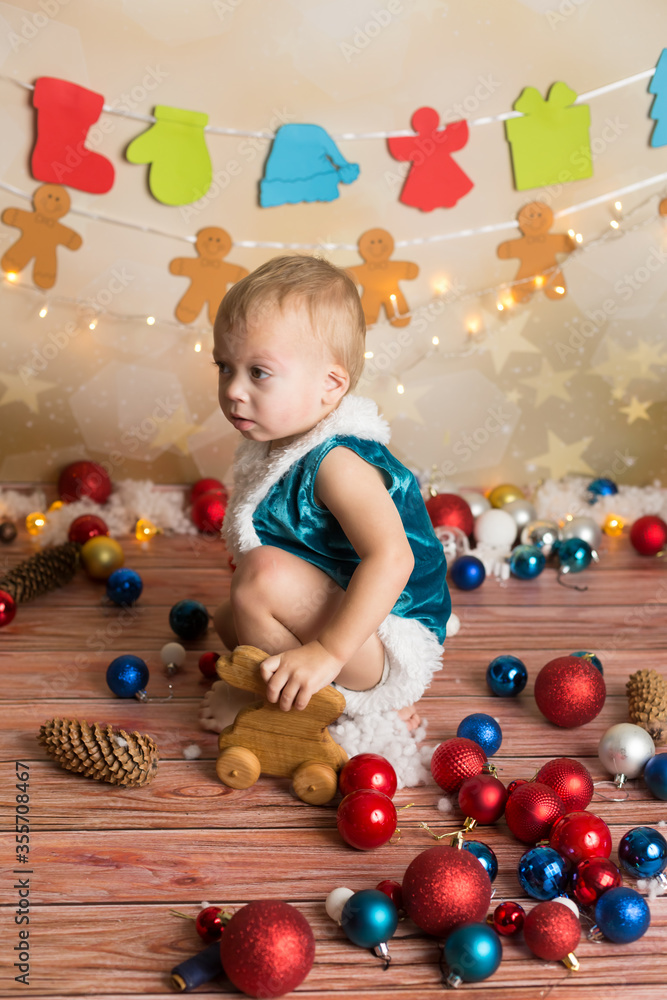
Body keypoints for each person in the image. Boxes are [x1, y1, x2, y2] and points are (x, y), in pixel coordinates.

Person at [199, 254, 451, 736]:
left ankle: (312, 705)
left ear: (330, 385)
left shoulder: (337, 463)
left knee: (259, 579)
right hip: (350, 614)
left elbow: (393, 560)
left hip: (385, 634)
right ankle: (315, 689)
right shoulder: (281, 442)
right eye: (225, 367)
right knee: (231, 618)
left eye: (259, 373)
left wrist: (327, 652)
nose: (233, 390)